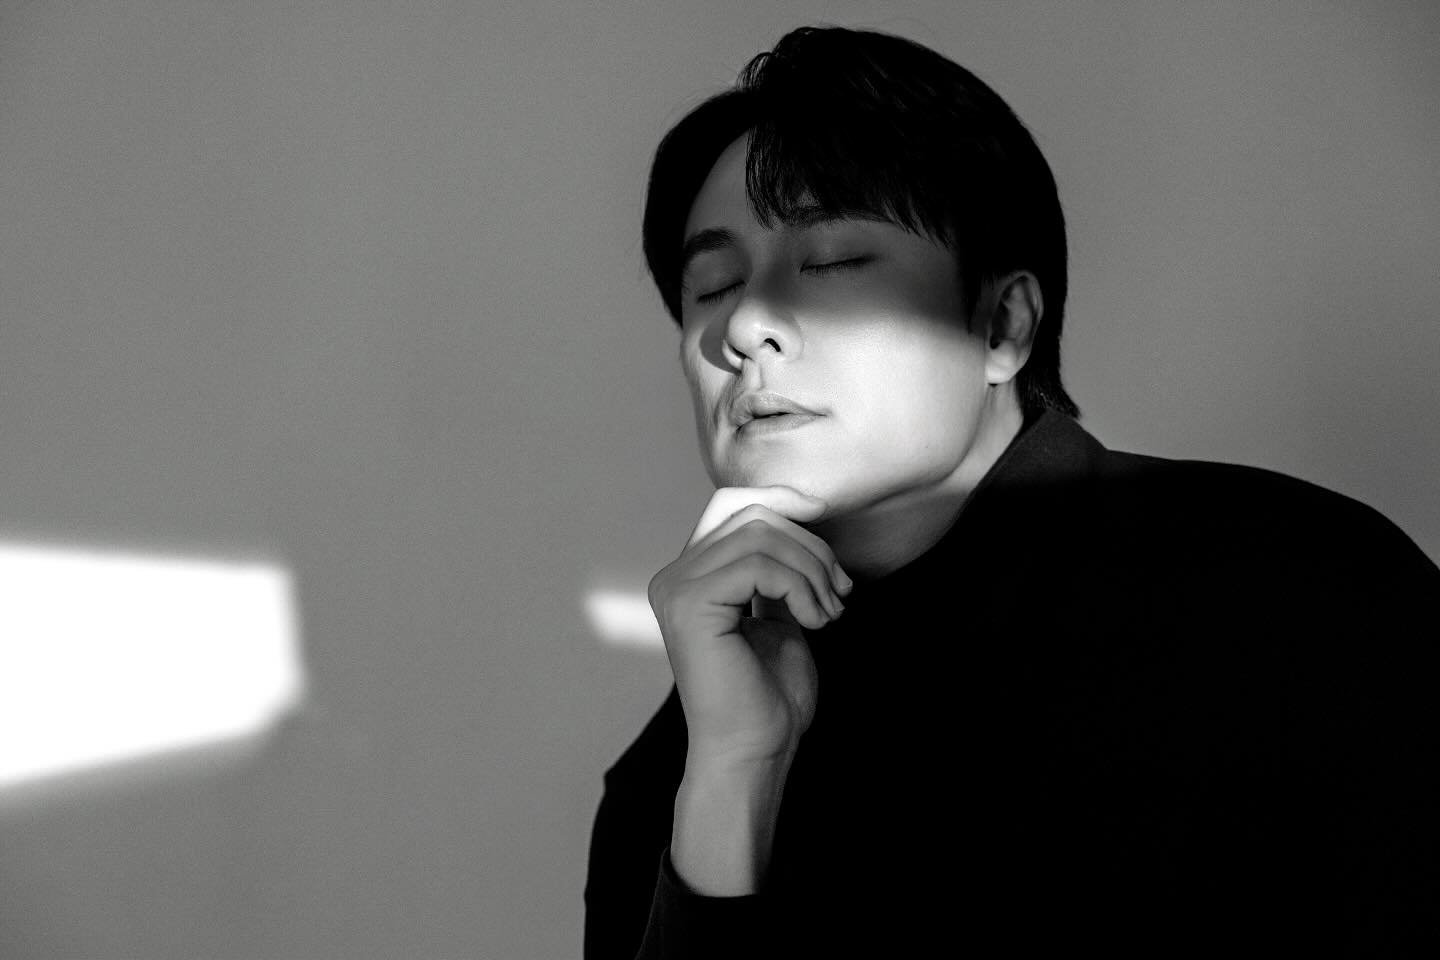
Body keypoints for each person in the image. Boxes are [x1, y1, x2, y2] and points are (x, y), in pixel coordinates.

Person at [585, 25, 1439, 958]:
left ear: (1002, 325)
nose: (747, 323)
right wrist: (734, 779)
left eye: (828, 262)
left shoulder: (1300, 597)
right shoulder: (685, 762)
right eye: (712, 286)